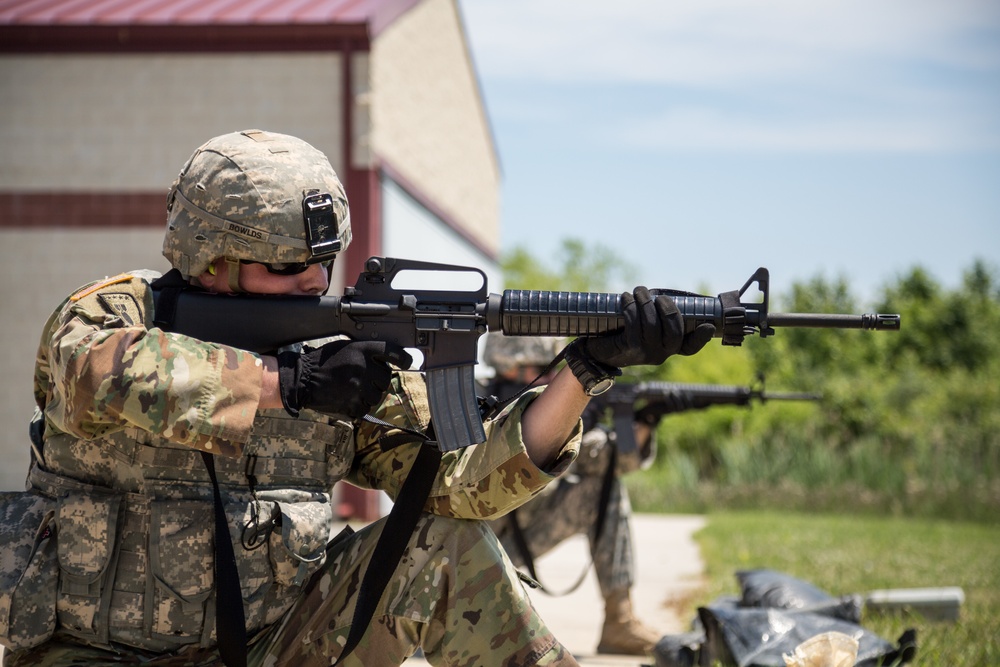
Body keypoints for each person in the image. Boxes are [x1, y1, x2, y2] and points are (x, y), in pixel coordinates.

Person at [0, 129, 713, 667]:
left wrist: (584, 368)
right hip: (86, 655)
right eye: (287, 266)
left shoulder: (331, 356)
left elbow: (468, 482)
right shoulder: (112, 315)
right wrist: (291, 387)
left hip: (272, 650)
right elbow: (102, 371)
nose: (314, 282)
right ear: (209, 258)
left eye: (324, 260)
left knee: (442, 548)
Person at [483, 333, 663, 657]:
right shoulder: (476, 403)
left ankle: (619, 621)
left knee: (603, 491)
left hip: (520, 538)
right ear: (510, 366)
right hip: (469, 549)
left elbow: (613, 464)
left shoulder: (553, 406)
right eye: (544, 366)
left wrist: (641, 422)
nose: (555, 377)